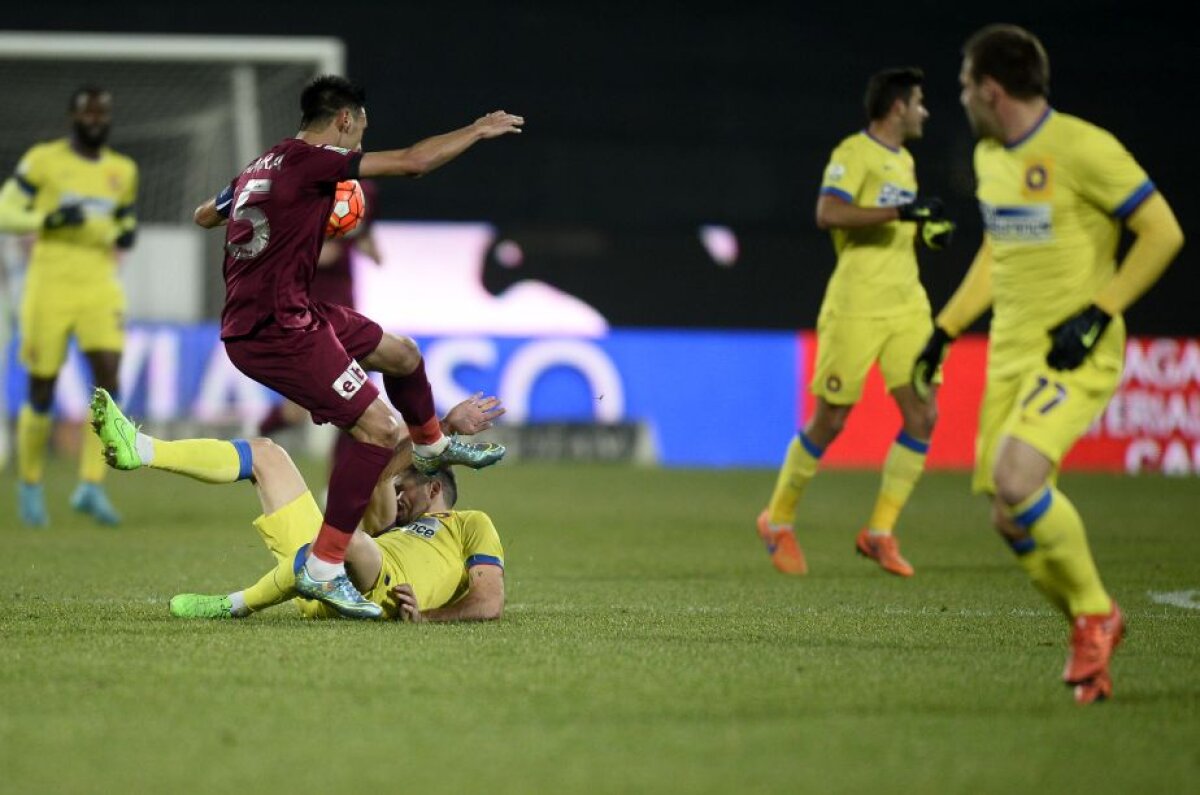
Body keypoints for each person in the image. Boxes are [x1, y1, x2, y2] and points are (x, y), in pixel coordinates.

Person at [911, 24, 1184, 704]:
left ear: (992, 89)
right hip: (1010, 355)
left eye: (967, 86)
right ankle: (1092, 626)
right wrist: (945, 328)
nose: (962, 98)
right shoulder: (989, 158)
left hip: (1074, 353)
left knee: (1017, 475)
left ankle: (1095, 613)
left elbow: (1162, 230)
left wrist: (1100, 310)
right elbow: (999, 252)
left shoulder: (1085, 148)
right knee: (1008, 515)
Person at [189, 75, 522, 618]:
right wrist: (478, 131)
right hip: (275, 327)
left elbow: (204, 215)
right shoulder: (313, 159)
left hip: (295, 309)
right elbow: (414, 162)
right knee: (380, 429)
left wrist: (274, 213)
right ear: (344, 119)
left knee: (404, 355)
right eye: (361, 130)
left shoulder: (261, 167)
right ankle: (324, 568)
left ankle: (434, 444)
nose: (361, 144)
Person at [757, 68, 954, 577]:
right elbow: (829, 212)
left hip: (907, 305)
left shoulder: (905, 162)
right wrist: (902, 214)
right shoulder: (853, 154)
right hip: (856, 305)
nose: (925, 112)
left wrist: (926, 230)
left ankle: (880, 532)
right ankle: (777, 520)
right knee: (833, 419)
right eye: (919, 103)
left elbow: (899, 223)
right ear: (896, 109)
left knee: (923, 415)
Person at [90, 386, 505, 621]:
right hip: (335, 569)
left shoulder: (468, 524)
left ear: (434, 489)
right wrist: (443, 428)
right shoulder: (390, 522)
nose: (396, 495)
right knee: (267, 453)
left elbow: (490, 601)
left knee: (349, 542)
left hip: (373, 585)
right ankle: (143, 449)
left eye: (407, 488)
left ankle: (232, 605)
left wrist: (427, 618)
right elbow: (377, 476)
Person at [0, 86, 138, 527]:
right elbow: (5, 210)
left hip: (100, 285)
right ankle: (30, 484)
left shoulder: (123, 170)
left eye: (103, 113)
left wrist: (126, 230)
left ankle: (91, 485)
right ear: (73, 118)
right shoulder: (44, 160)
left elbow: (125, 218)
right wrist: (48, 220)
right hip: (50, 284)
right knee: (42, 387)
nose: (95, 119)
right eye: (87, 112)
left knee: (109, 381)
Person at [257, 178, 382, 477]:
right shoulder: (306, 197)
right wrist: (344, 235)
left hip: (345, 317)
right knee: (299, 410)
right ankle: (254, 438)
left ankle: (337, 480)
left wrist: (362, 237)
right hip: (309, 319)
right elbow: (325, 255)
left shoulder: (363, 193)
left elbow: (371, 247)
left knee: (363, 399)